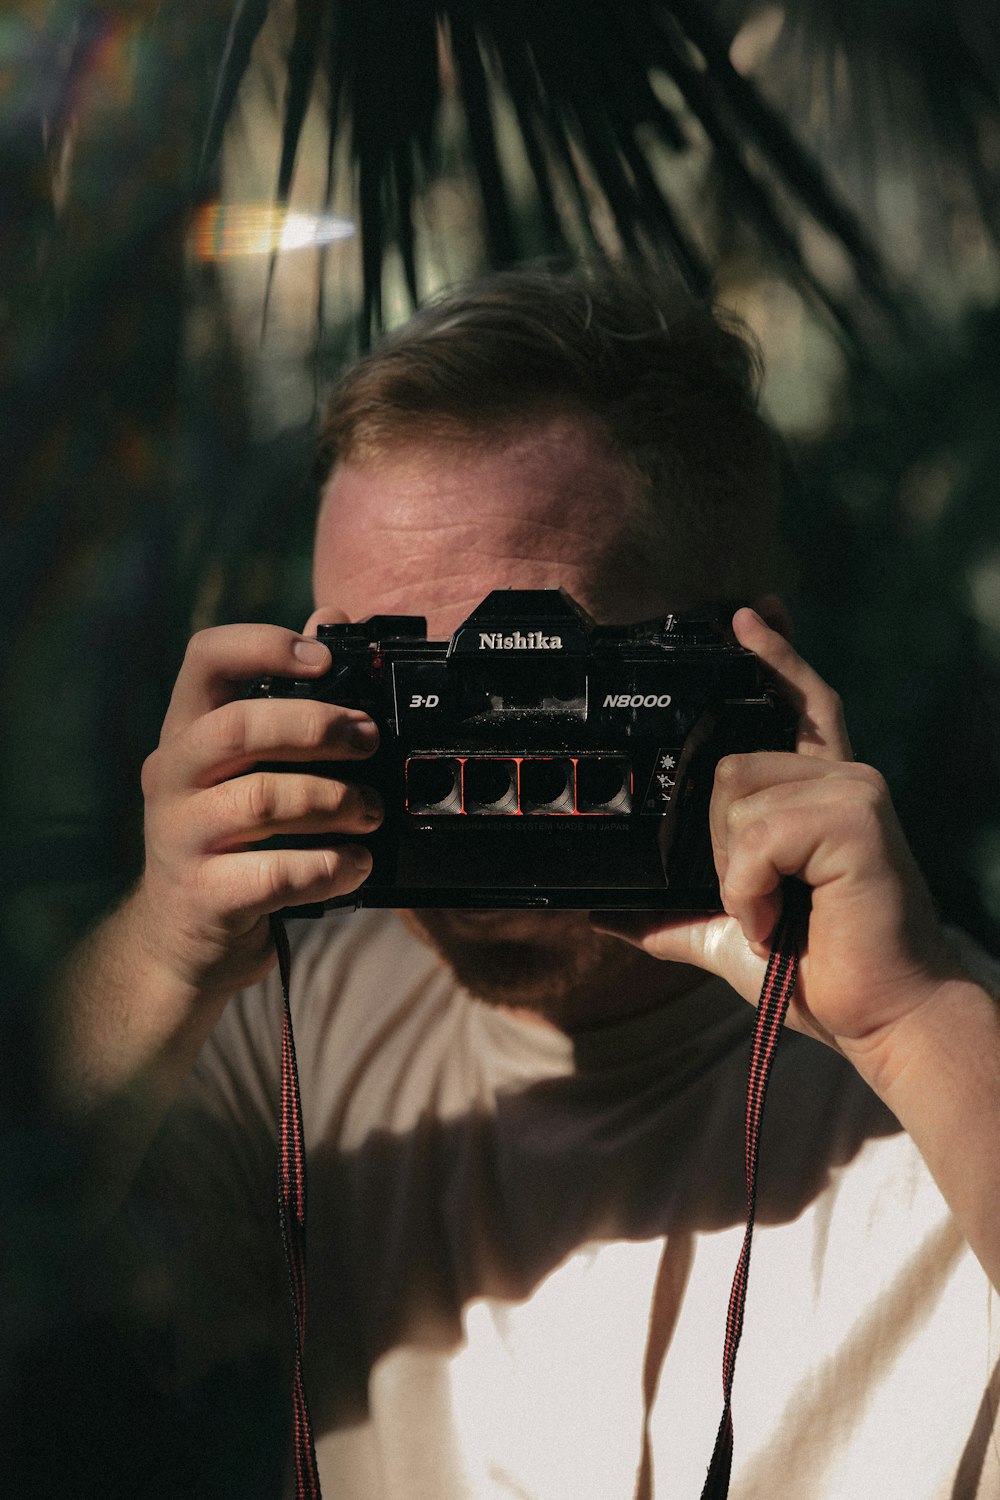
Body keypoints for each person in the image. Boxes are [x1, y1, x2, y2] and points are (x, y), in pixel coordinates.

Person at [54, 266, 1000, 1499]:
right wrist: (165, 948)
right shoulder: (306, 1020)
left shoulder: (943, 1076)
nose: (467, 768)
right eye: (398, 682)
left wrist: (911, 1025)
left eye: (535, 683)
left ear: (747, 675)